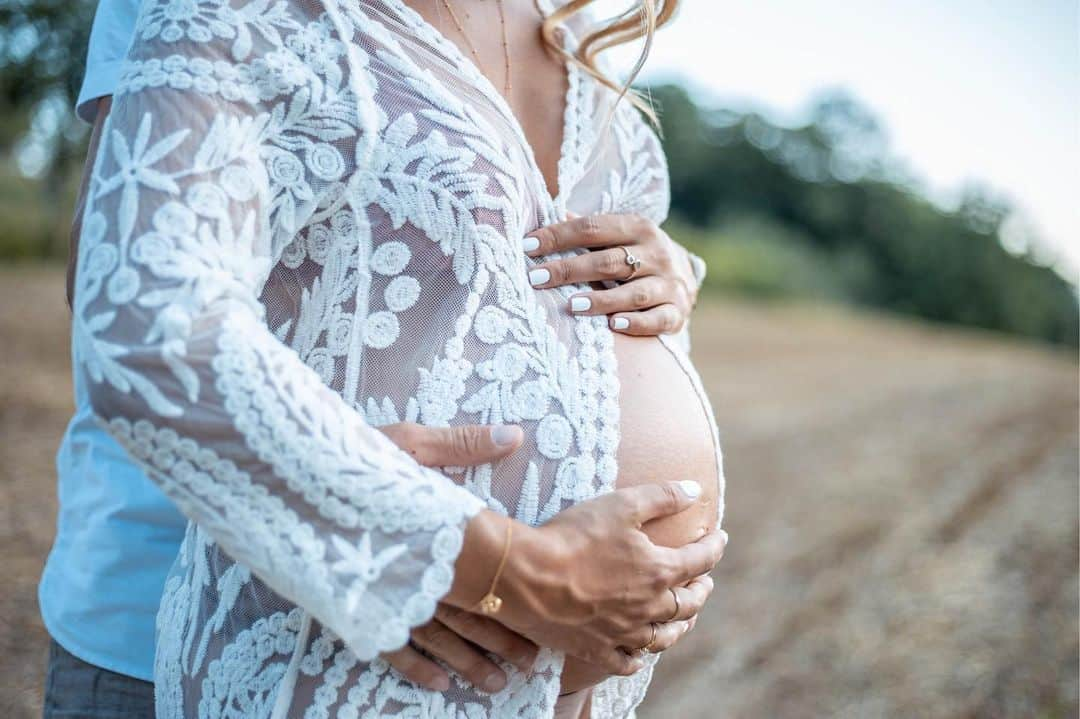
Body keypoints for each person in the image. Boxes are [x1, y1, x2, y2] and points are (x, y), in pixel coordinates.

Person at [44, 0, 727, 717]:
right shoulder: (249, 16)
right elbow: (138, 299)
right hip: (279, 632)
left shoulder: (577, 37)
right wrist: (420, 548)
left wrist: (673, 267)